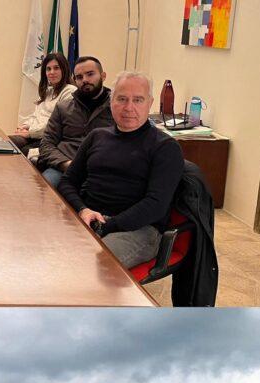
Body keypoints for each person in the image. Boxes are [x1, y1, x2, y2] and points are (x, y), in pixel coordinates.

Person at [57, 71, 184, 270]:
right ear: (111, 100)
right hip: (89, 217)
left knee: (90, 266)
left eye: (138, 100)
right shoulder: (96, 137)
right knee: (43, 249)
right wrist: (83, 209)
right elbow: (67, 181)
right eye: (122, 99)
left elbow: (155, 205)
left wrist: (106, 227)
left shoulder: (165, 147)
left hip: (138, 229)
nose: (129, 107)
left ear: (150, 103)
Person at [37, 56, 114, 188]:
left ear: (103, 76)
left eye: (90, 74)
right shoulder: (63, 107)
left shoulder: (117, 107)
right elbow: (46, 144)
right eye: (79, 77)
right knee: (43, 192)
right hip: (63, 167)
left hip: (102, 170)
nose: (85, 80)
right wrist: (65, 163)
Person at [10, 52, 76, 159]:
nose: (52, 72)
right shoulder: (48, 91)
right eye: (48, 69)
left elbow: (56, 125)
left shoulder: (70, 91)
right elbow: (36, 115)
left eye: (56, 68)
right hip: (36, 134)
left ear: (64, 69)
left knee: (22, 153)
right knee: (8, 142)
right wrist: (25, 126)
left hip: (52, 139)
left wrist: (30, 133)